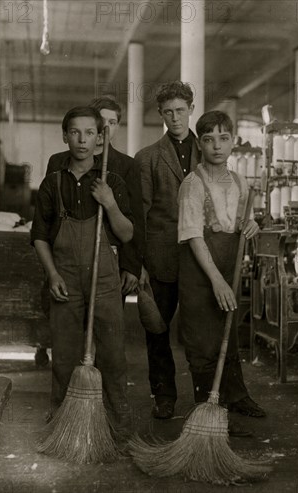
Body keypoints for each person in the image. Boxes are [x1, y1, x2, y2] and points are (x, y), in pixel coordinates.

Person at [31, 106, 134, 436]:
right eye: (75, 132)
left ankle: (117, 420)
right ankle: (62, 416)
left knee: (114, 354)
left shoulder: (111, 181)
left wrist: (110, 203)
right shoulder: (53, 184)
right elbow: (39, 236)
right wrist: (53, 275)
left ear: (100, 138)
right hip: (66, 278)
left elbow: (127, 233)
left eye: (90, 132)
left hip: (104, 279)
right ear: (65, 136)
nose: (82, 139)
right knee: (63, 353)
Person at [177, 110, 266, 431]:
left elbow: (243, 221)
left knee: (227, 332)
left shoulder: (242, 184)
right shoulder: (192, 184)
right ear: (199, 144)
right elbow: (194, 237)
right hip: (200, 276)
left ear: (233, 142)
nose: (217, 146)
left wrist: (251, 224)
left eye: (223, 139)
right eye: (209, 140)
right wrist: (216, 282)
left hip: (228, 270)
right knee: (202, 341)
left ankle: (236, 395)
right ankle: (205, 404)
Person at [135, 81, 200, 419]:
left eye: (180, 110)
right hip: (160, 260)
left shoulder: (209, 152)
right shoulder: (146, 158)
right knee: (157, 331)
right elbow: (141, 215)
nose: (175, 118)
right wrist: (141, 265)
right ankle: (164, 396)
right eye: (168, 112)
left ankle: (208, 399)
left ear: (191, 108)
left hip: (201, 258)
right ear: (160, 114)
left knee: (202, 332)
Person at [46, 97, 143, 297]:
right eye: (102, 121)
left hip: (111, 263)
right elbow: (49, 218)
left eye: (113, 123)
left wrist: (131, 266)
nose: (106, 128)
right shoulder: (58, 162)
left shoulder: (127, 166)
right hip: (67, 261)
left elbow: (136, 219)